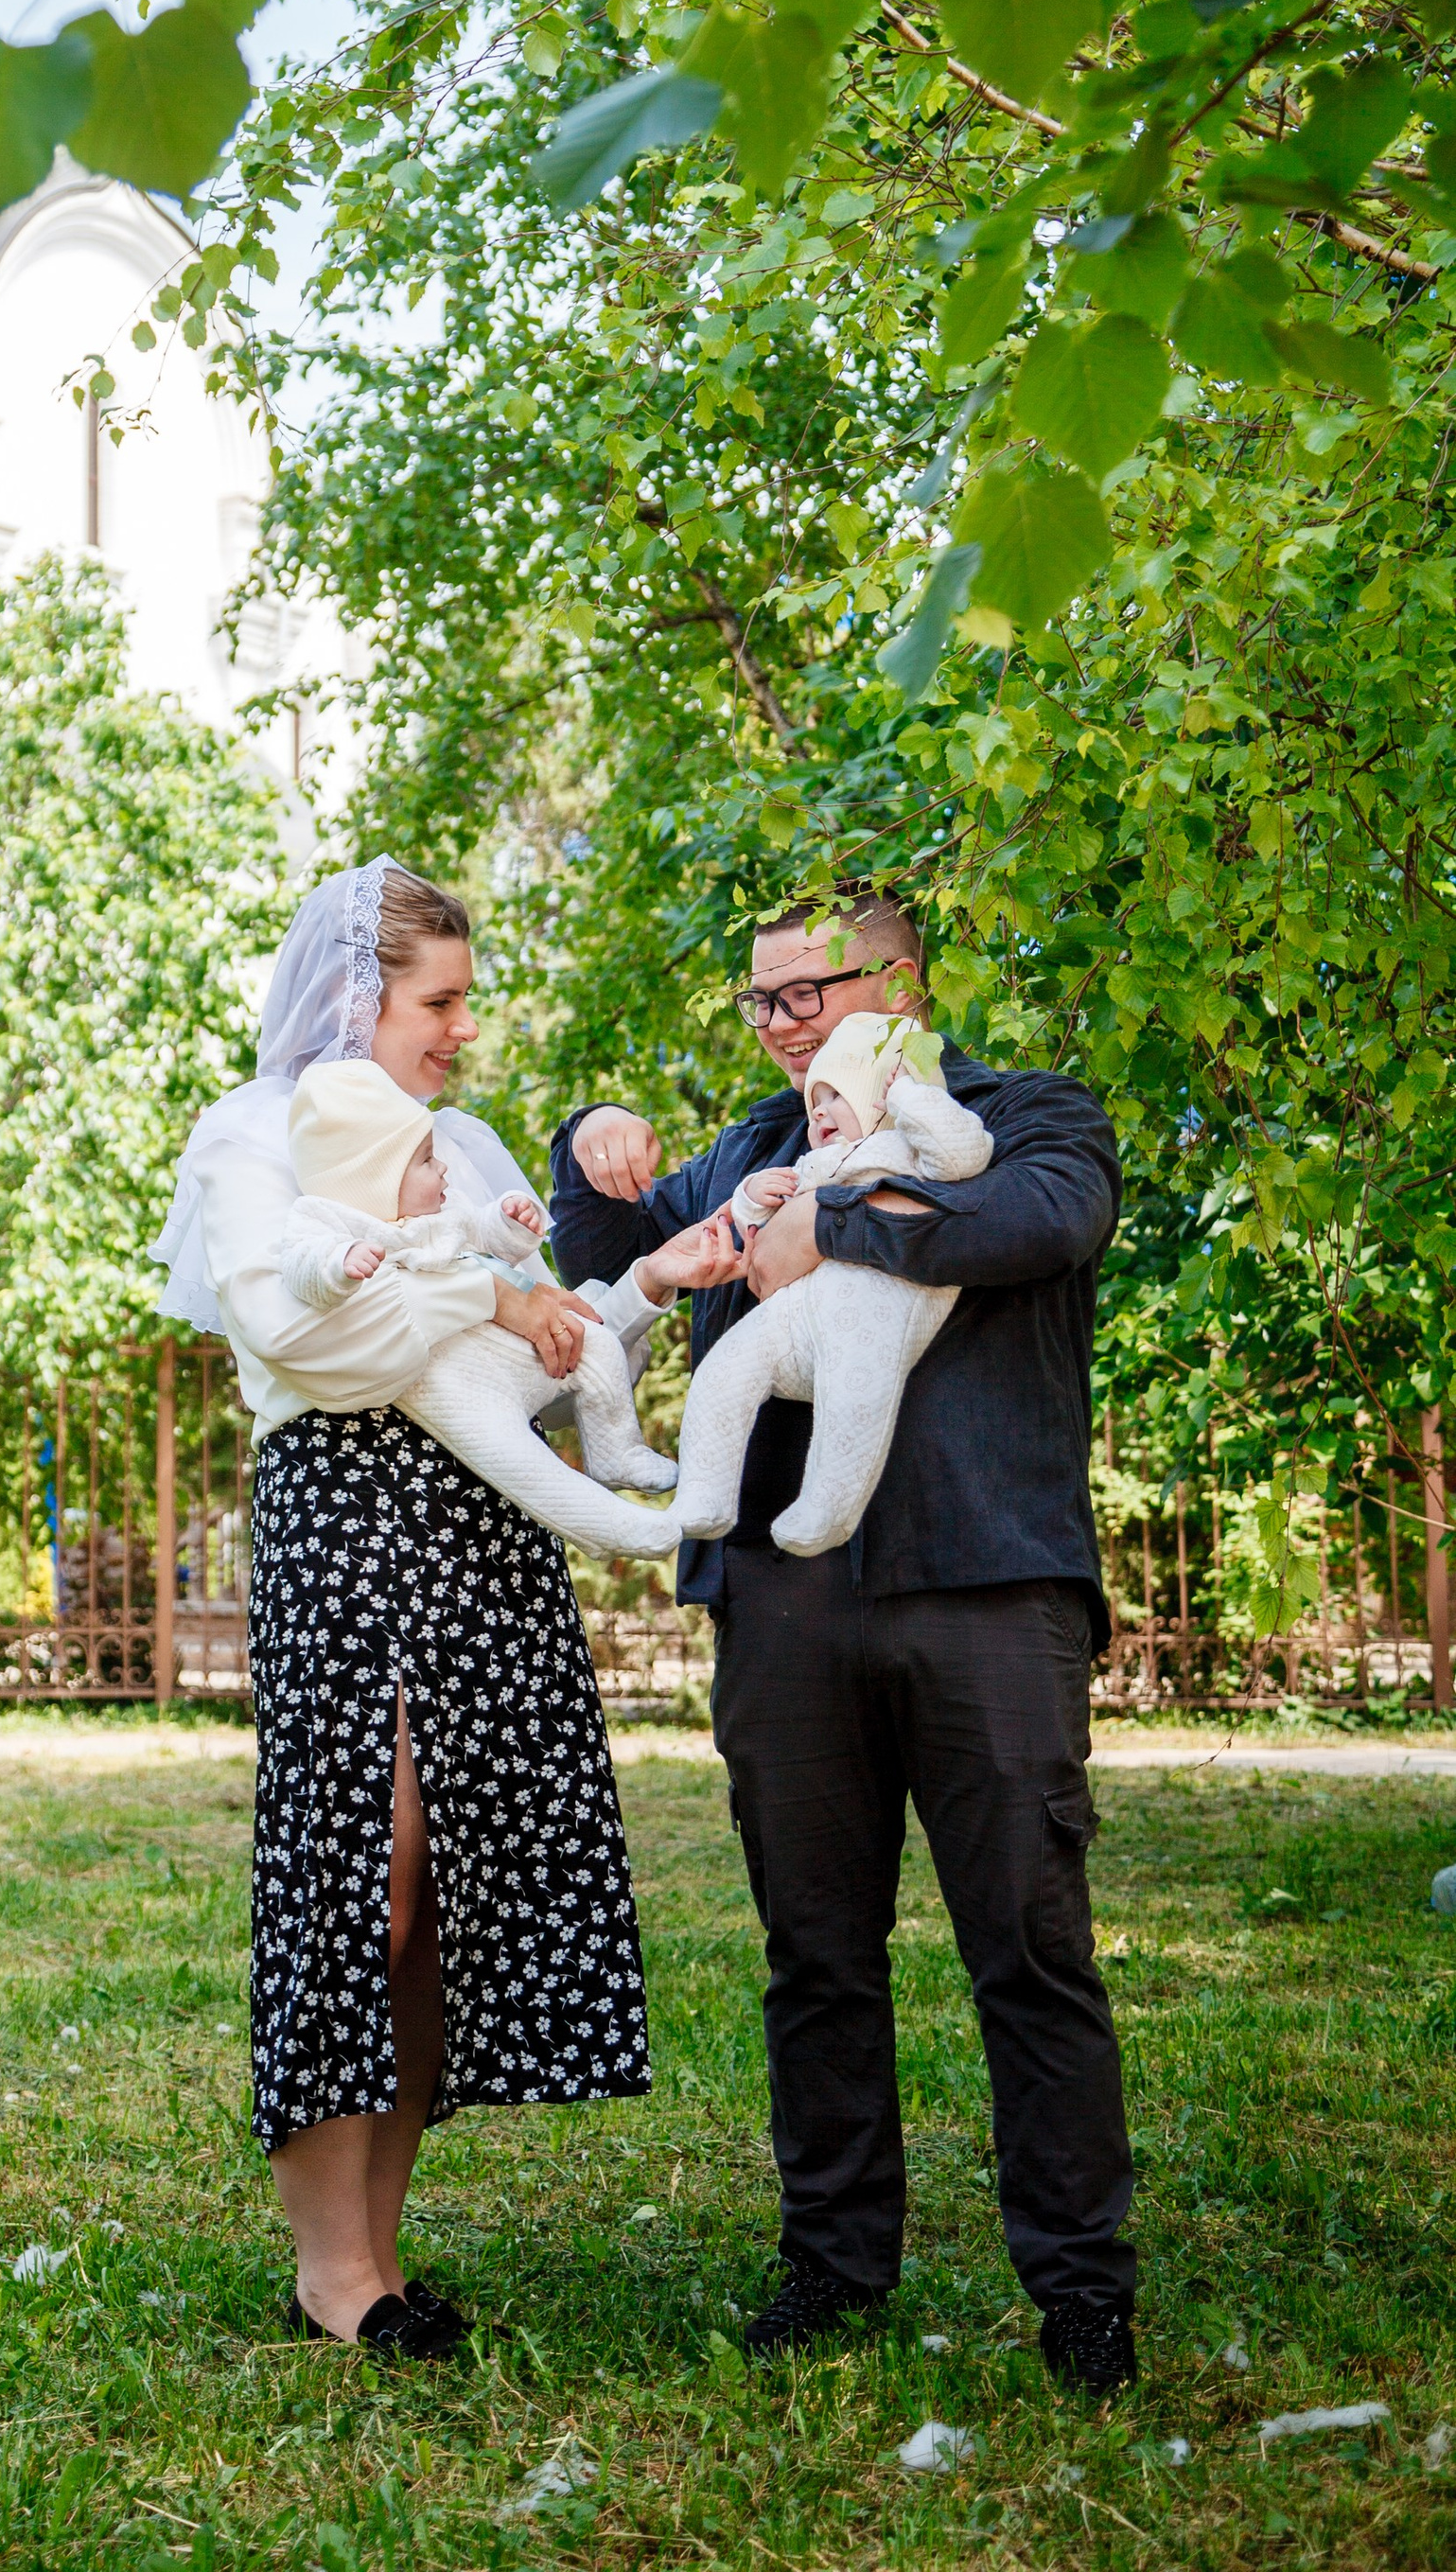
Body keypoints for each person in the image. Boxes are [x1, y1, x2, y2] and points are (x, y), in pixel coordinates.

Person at [550, 890, 1138, 2399]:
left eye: (810, 990)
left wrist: (842, 1223)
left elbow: (1038, 1222)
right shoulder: (751, 1144)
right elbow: (612, 1254)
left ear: (906, 978)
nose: (783, 1022)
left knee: (1031, 1945)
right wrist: (595, 1142)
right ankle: (833, 2264)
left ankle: (1080, 2291)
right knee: (815, 1953)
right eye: (760, 1000)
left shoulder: (1027, 1112)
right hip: (784, 1603)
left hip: (989, 1592)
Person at [157, 859, 651, 2356]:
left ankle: (373, 2257)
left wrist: (602, 1297)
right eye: (439, 1003)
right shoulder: (249, 1136)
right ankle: (329, 2271)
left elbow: (537, 1350)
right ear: (357, 995)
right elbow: (305, 1342)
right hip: (346, 1525)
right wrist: (479, 1296)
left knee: (446, 1892)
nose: (460, 1034)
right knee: (361, 1875)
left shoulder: (460, 1138)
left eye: (464, 1003)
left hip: (478, 1530)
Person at [275, 1057, 680, 1561]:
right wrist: (338, 1263)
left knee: (591, 1339)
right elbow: (299, 1264)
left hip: (509, 1351)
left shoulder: (438, 1215)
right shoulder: (329, 1219)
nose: (441, 1167)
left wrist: (511, 1220)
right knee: (519, 1460)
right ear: (376, 1175)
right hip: (450, 1384)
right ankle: (617, 1529)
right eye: (425, 1160)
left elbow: (483, 1233)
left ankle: (617, 1449)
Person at [667, 1012, 993, 1556]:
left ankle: (826, 1510)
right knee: (724, 1367)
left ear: (880, 1099)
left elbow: (965, 1152)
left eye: (837, 1095)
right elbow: (757, 1241)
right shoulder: (817, 1163)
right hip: (800, 1309)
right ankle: (703, 1492)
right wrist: (752, 1197)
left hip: (876, 1304)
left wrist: (910, 1100)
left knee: (855, 1395)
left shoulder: (909, 1152)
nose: (818, 1110)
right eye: (813, 1100)